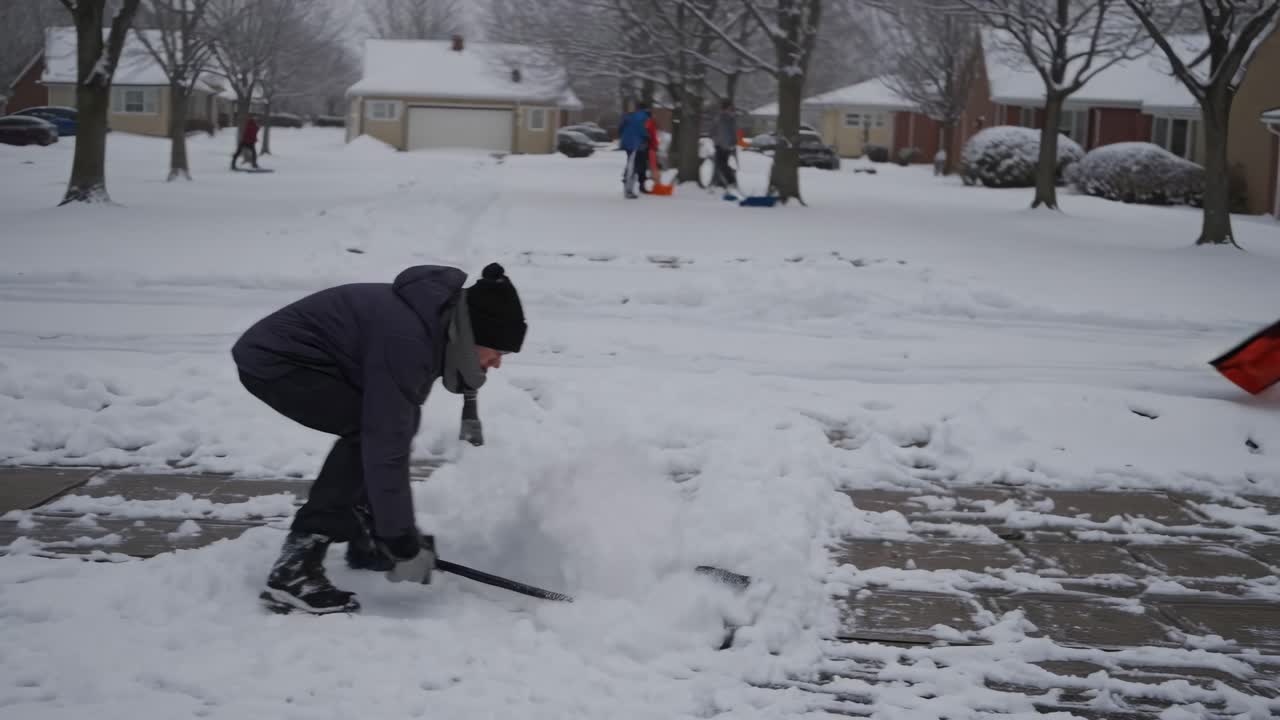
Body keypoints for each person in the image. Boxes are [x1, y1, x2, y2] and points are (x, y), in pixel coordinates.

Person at [232, 263, 527, 614]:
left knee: (382, 427)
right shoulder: (409, 339)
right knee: (368, 434)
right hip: (277, 361)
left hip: (316, 360)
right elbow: (385, 444)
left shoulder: (437, 324)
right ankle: (295, 570)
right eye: (497, 350)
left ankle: (366, 538)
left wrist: (391, 531)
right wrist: (401, 540)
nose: (496, 364)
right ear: (473, 335)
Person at [618, 101, 652, 199]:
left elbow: (620, 128)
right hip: (634, 143)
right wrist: (646, 136)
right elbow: (641, 129)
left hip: (627, 142)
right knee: (632, 166)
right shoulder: (643, 116)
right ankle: (628, 190)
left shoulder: (629, 116)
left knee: (630, 164)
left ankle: (626, 182)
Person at [710, 99, 739, 191]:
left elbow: (733, 132)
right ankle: (723, 181)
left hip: (725, 145)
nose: (730, 110)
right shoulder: (721, 118)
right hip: (720, 144)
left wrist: (733, 143)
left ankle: (730, 179)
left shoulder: (728, 118)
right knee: (720, 164)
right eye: (729, 108)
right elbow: (713, 131)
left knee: (721, 164)